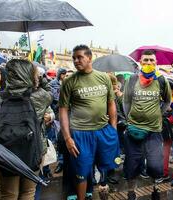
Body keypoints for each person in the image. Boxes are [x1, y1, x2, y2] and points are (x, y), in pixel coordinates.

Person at [59, 45, 120, 200]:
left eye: (79, 57)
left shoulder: (104, 77)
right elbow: (63, 110)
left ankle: (102, 189)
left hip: (103, 131)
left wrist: (112, 127)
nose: (76, 61)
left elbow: (111, 103)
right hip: (80, 133)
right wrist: (67, 138)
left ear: (90, 58)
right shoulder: (69, 82)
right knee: (81, 171)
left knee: (107, 165)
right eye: (74, 58)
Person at [0, 59, 52, 200]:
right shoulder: (38, 97)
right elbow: (50, 94)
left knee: (9, 194)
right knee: (28, 193)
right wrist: (41, 78)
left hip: (6, 156)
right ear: (27, 75)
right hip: (32, 152)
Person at [123, 50, 171, 200]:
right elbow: (126, 101)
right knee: (132, 164)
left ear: (156, 63)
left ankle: (155, 189)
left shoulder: (161, 80)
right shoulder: (132, 79)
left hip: (154, 131)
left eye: (152, 60)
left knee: (155, 165)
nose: (149, 63)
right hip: (134, 129)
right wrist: (130, 119)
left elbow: (168, 101)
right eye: (146, 60)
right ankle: (132, 192)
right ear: (140, 62)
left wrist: (158, 113)